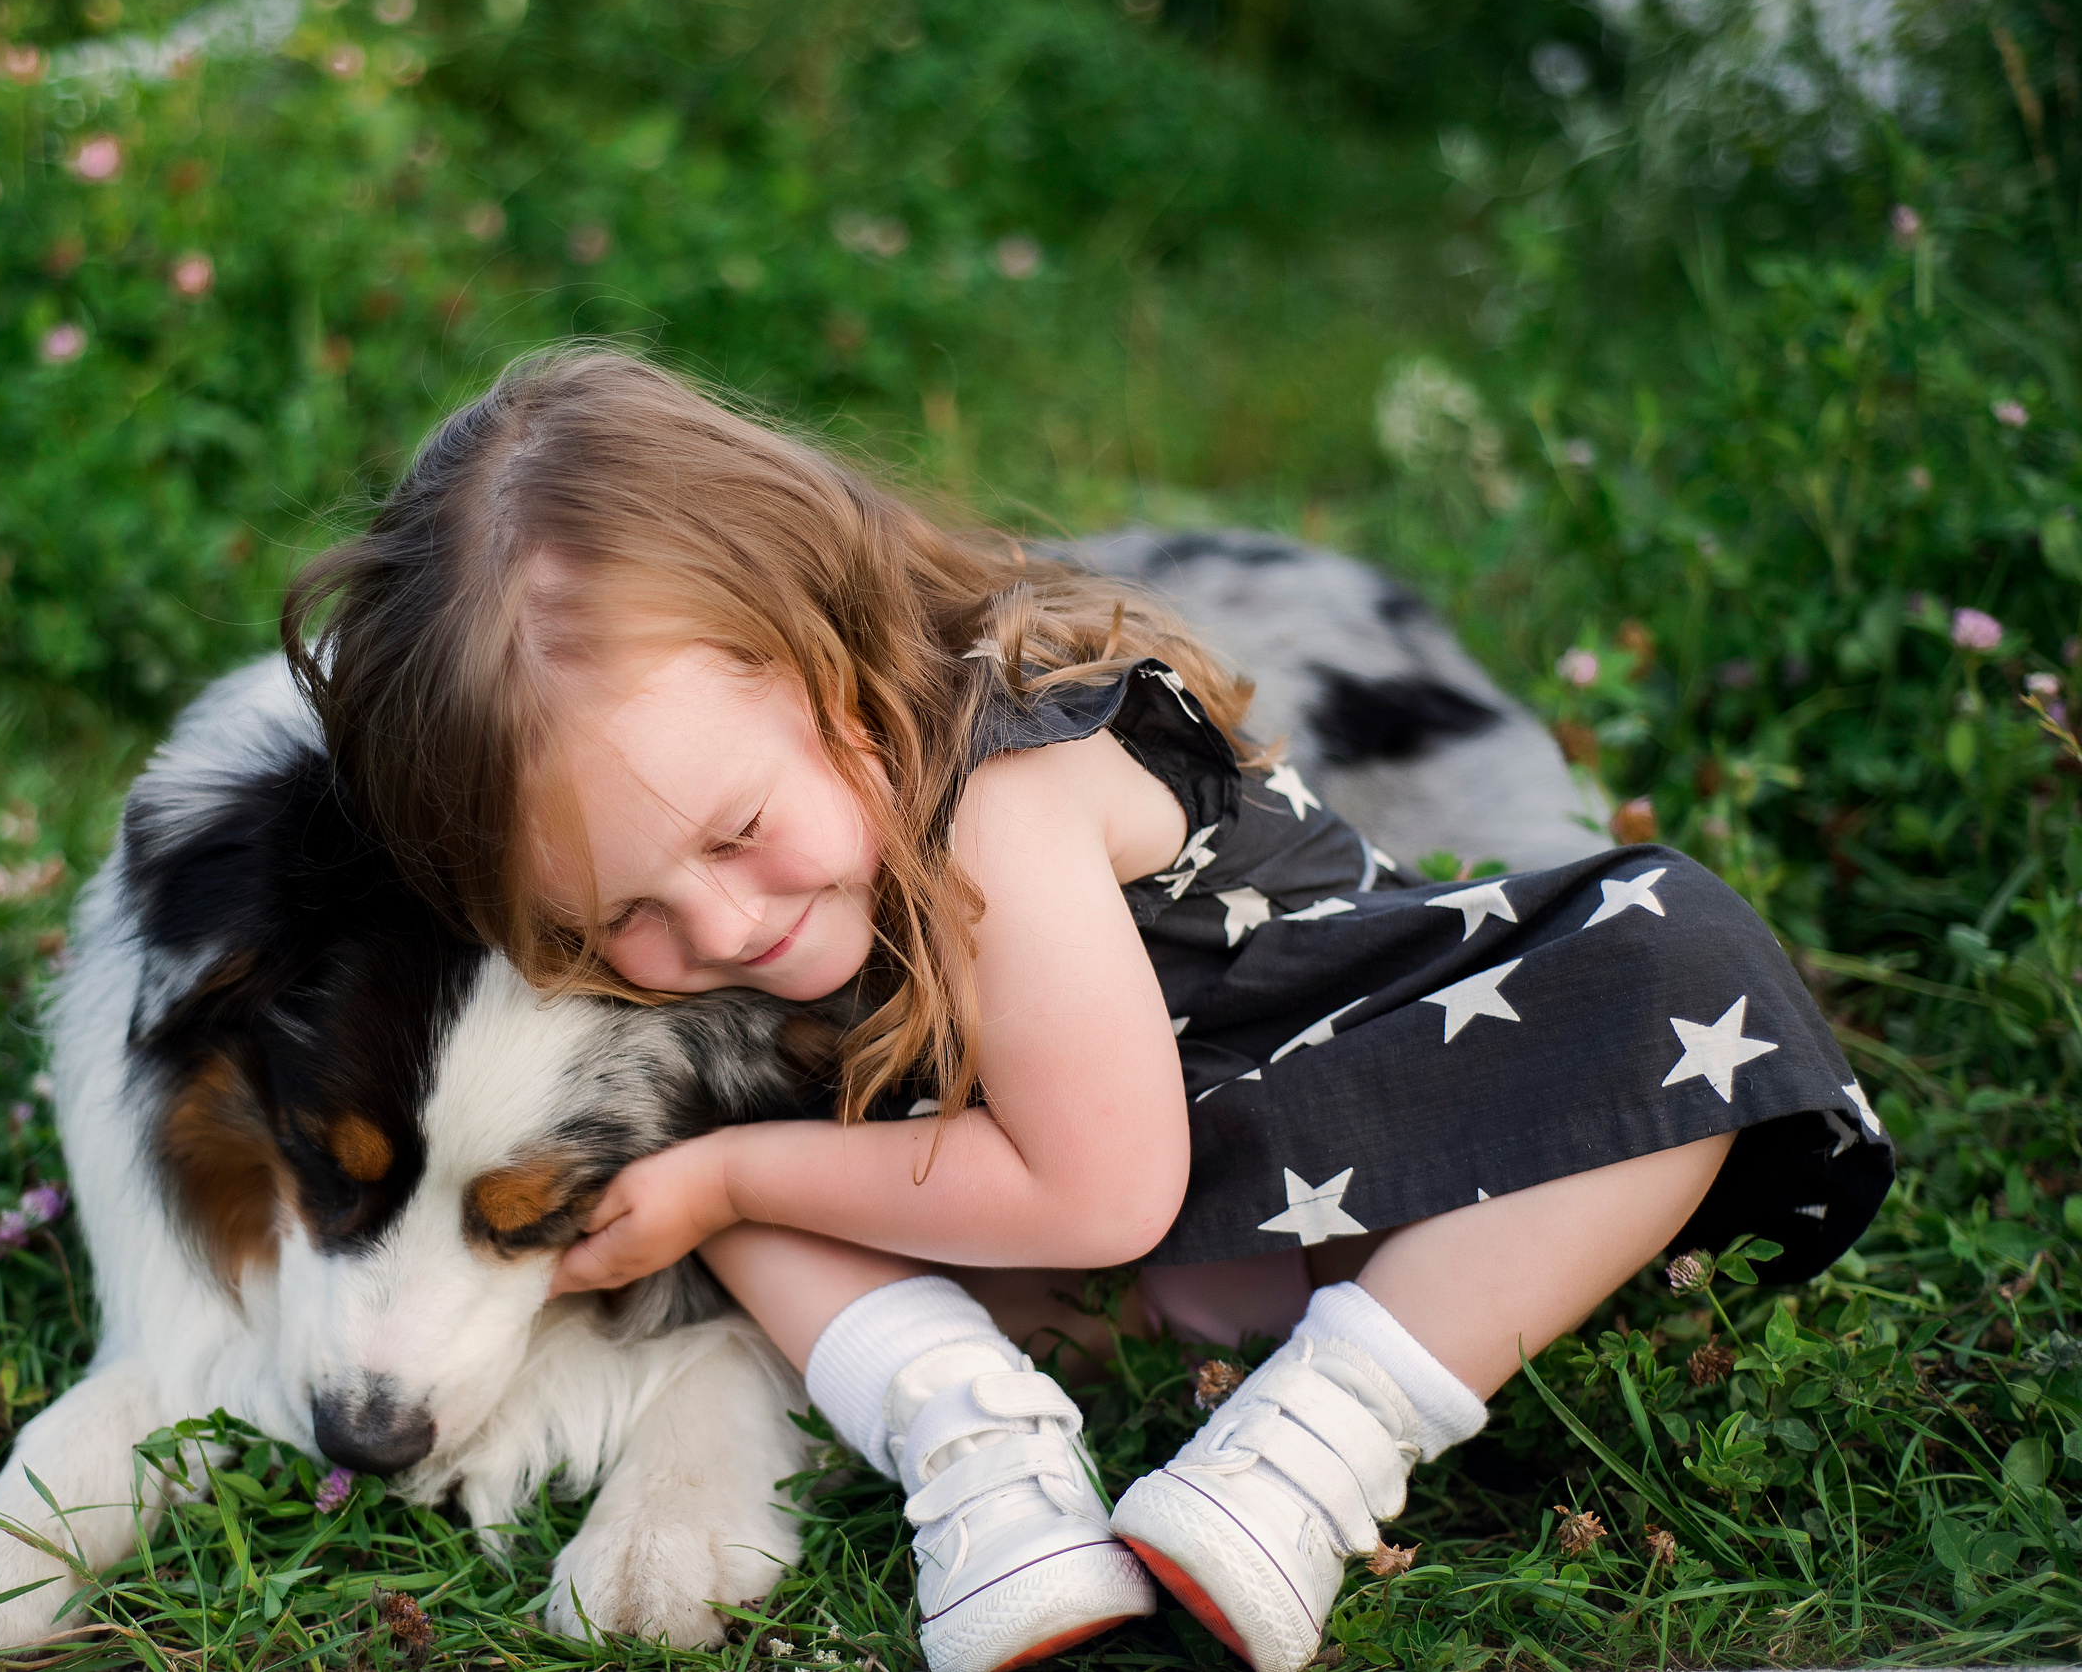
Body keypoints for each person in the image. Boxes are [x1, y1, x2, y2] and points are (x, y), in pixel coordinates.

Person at [282, 349, 1893, 1672]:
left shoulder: (1007, 789)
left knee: (1679, 967)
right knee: (734, 1159)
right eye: (615, 914)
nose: (715, 928)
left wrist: (730, 1179)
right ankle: (982, 1456)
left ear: (835, 665)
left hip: (1399, 1155)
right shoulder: (770, 876)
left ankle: (1316, 1449)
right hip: (1135, 1268)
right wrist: (726, 1174)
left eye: (735, 834)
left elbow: (1101, 1179)